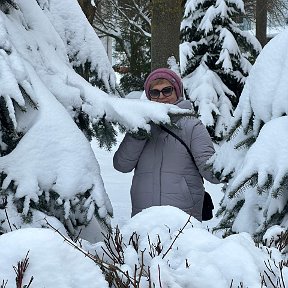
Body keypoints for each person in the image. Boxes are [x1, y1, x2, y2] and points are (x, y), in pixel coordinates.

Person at [113, 68, 219, 221]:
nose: (161, 96)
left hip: (182, 219)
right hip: (143, 217)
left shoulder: (192, 126)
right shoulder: (142, 125)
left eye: (167, 90)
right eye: (155, 93)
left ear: (177, 92)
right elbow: (121, 165)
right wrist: (138, 134)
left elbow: (213, 173)